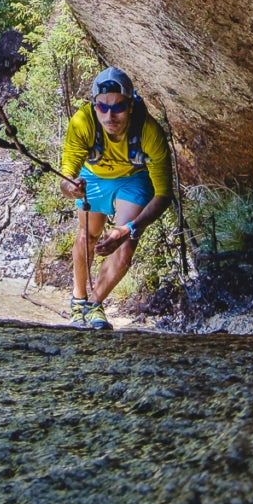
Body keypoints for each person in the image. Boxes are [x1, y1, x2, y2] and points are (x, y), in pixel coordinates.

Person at [58, 66, 173, 329]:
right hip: (93, 176)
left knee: (124, 245)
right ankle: (78, 300)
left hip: (133, 178)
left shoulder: (149, 133)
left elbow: (164, 195)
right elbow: (65, 178)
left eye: (118, 107)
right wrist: (71, 188)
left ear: (130, 105)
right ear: (94, 106)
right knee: (88, 235)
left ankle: (94, 305)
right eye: (102, 107)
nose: (110, 115)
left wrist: (130, 228)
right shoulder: (82, 122)